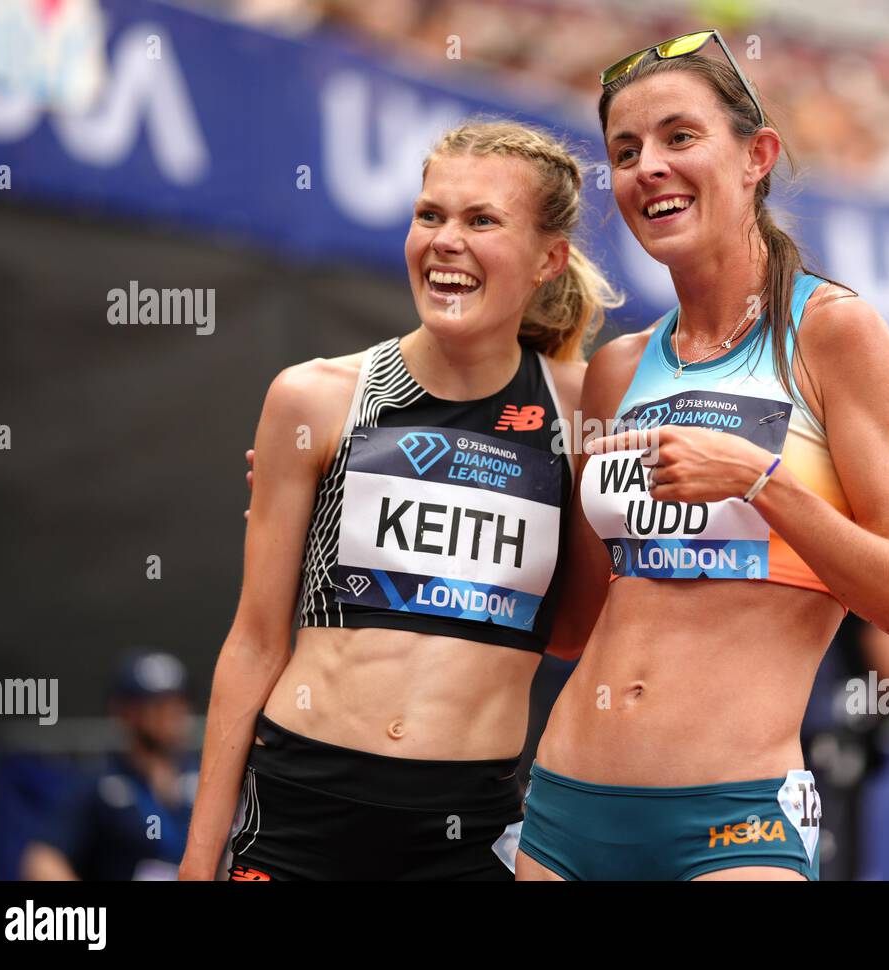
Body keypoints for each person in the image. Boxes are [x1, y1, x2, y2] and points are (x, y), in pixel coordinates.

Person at [516, 30, 889, 881]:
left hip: (732, 819)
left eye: (680, 137)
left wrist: (760, 480)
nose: (648, 168)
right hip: (564, 807)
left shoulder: (835, 335)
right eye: (626, 151)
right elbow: (571, 626)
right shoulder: (618, 368)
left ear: (758, 156)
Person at [178, 121, 619, 881]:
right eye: (430, 215)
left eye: (482, 220)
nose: (447, 239)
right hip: (300, 808)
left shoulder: (582, 407)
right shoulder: (313, 395)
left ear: (549, 259)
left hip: (465, 825)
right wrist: (195, 861)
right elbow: (253, 642)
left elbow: (572, 635)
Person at [22, 650, 196, 881]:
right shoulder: (98, 783)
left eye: (178, 702)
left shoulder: (204, 779)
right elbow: (42, 860)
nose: (173, 714)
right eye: (158, 705)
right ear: (125, 712)